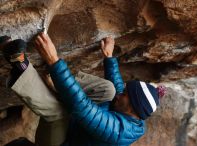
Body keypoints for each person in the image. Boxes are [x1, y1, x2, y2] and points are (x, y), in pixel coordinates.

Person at [1, 33, 166, 146]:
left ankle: (18, 62)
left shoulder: (117, 132)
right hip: (76, 128)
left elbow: (83, 107)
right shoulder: (134, 113)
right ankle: (58, 88)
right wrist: (108, 57)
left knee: (59, 112)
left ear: (132, 108)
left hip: (62, 142)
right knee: (109, 89)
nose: (120, 93)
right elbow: (116, 86)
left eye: (124, 94)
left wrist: (53, 60)